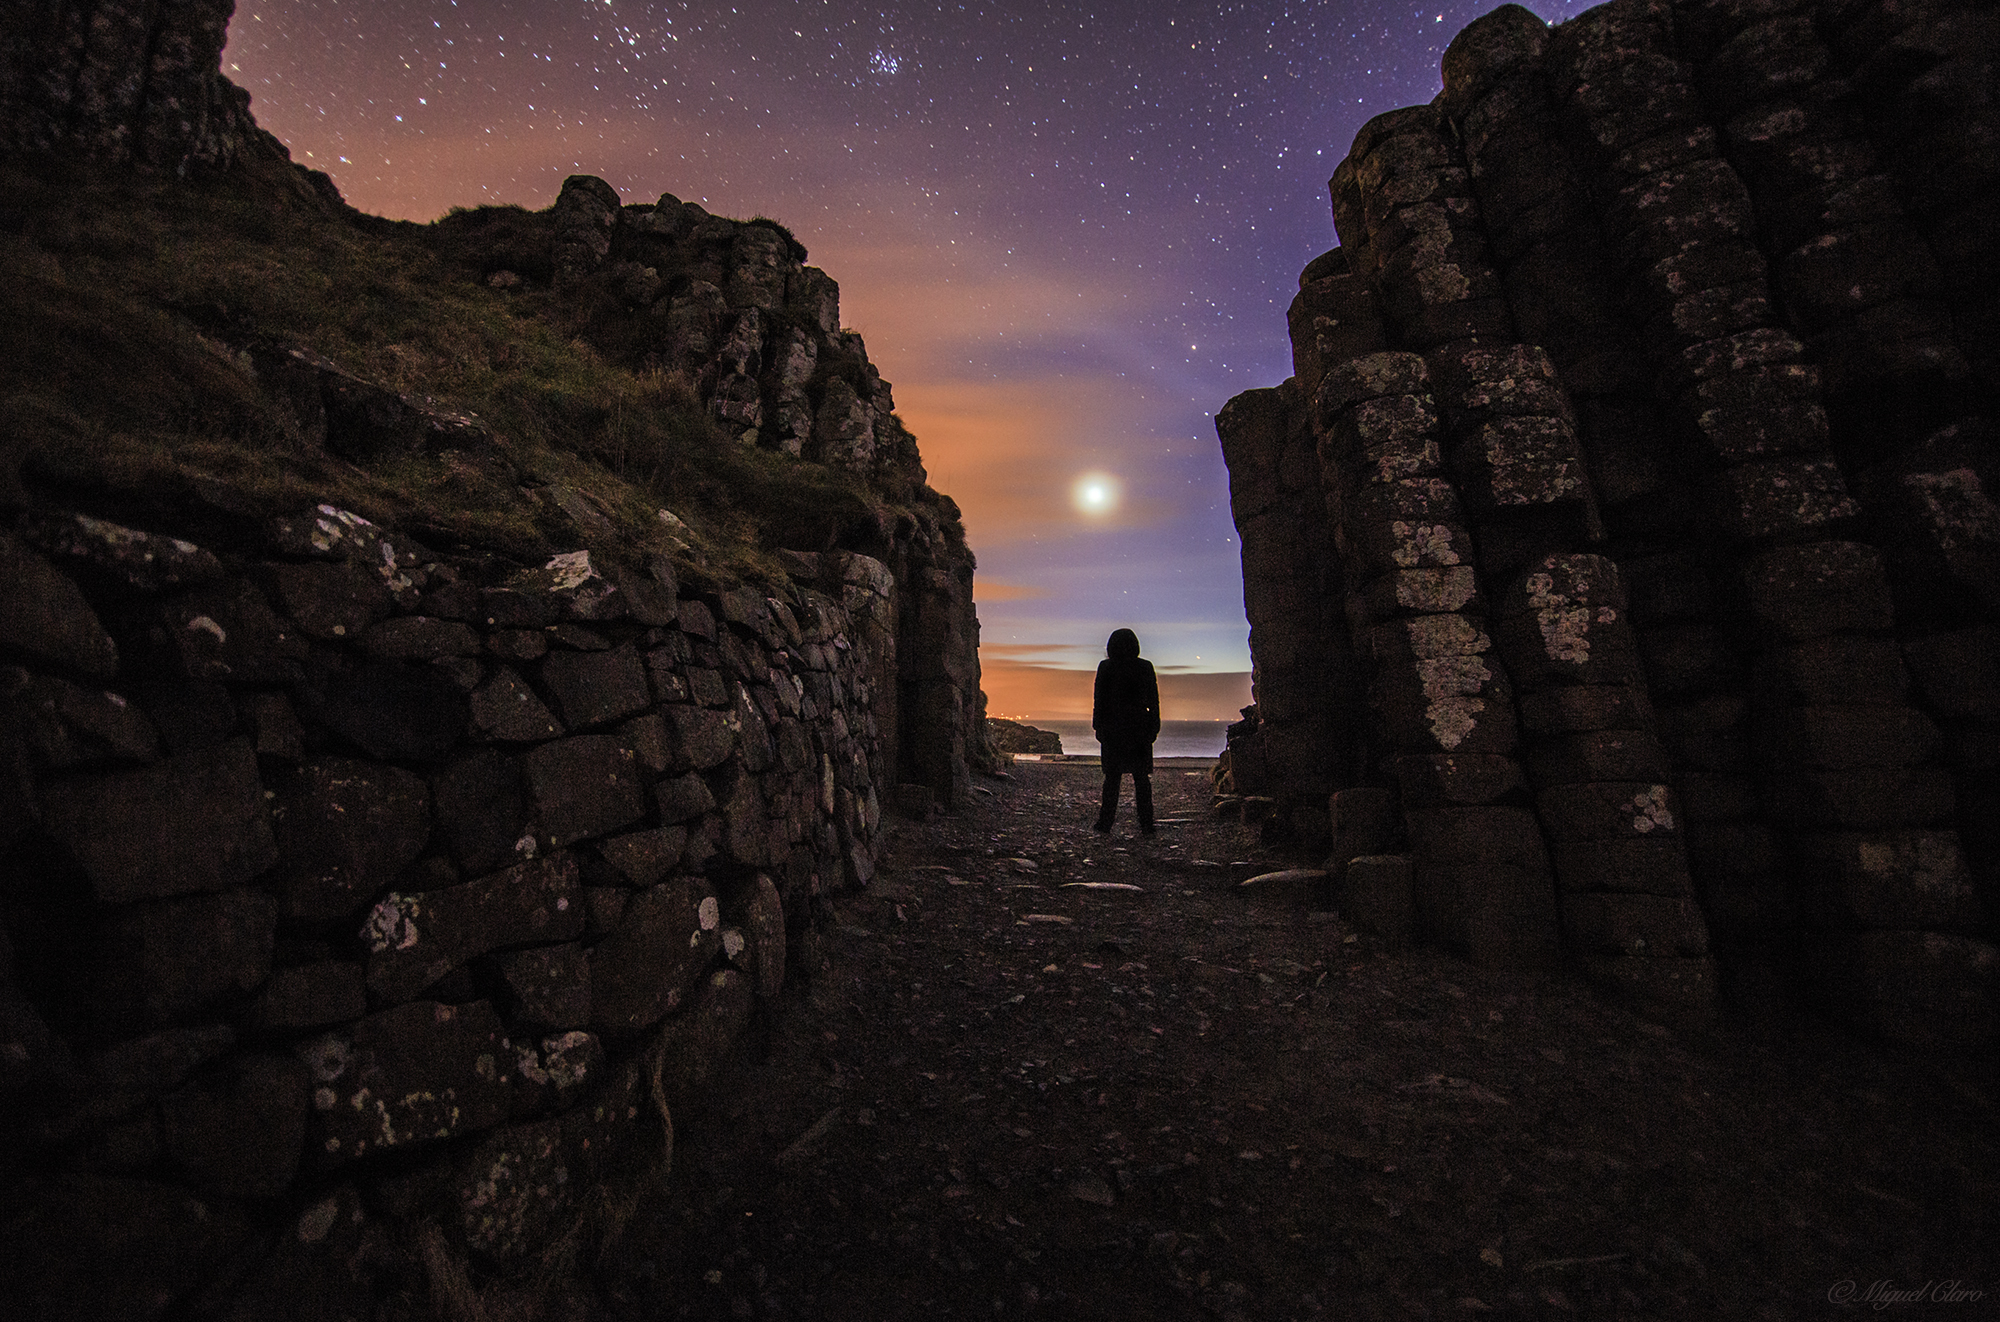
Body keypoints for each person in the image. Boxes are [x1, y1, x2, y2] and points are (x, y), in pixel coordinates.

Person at [1092, 628, 1160, 835]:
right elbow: (1153, 701)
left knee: (1112, 779)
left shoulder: (1106, 667)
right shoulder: (1145, 667)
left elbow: (1099, 700)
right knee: (1141, 780)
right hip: (1139, 728)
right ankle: (1147, 825)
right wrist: (1153, 726)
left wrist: (1098, 726)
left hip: (1113, 728)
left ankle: (1105, 823)